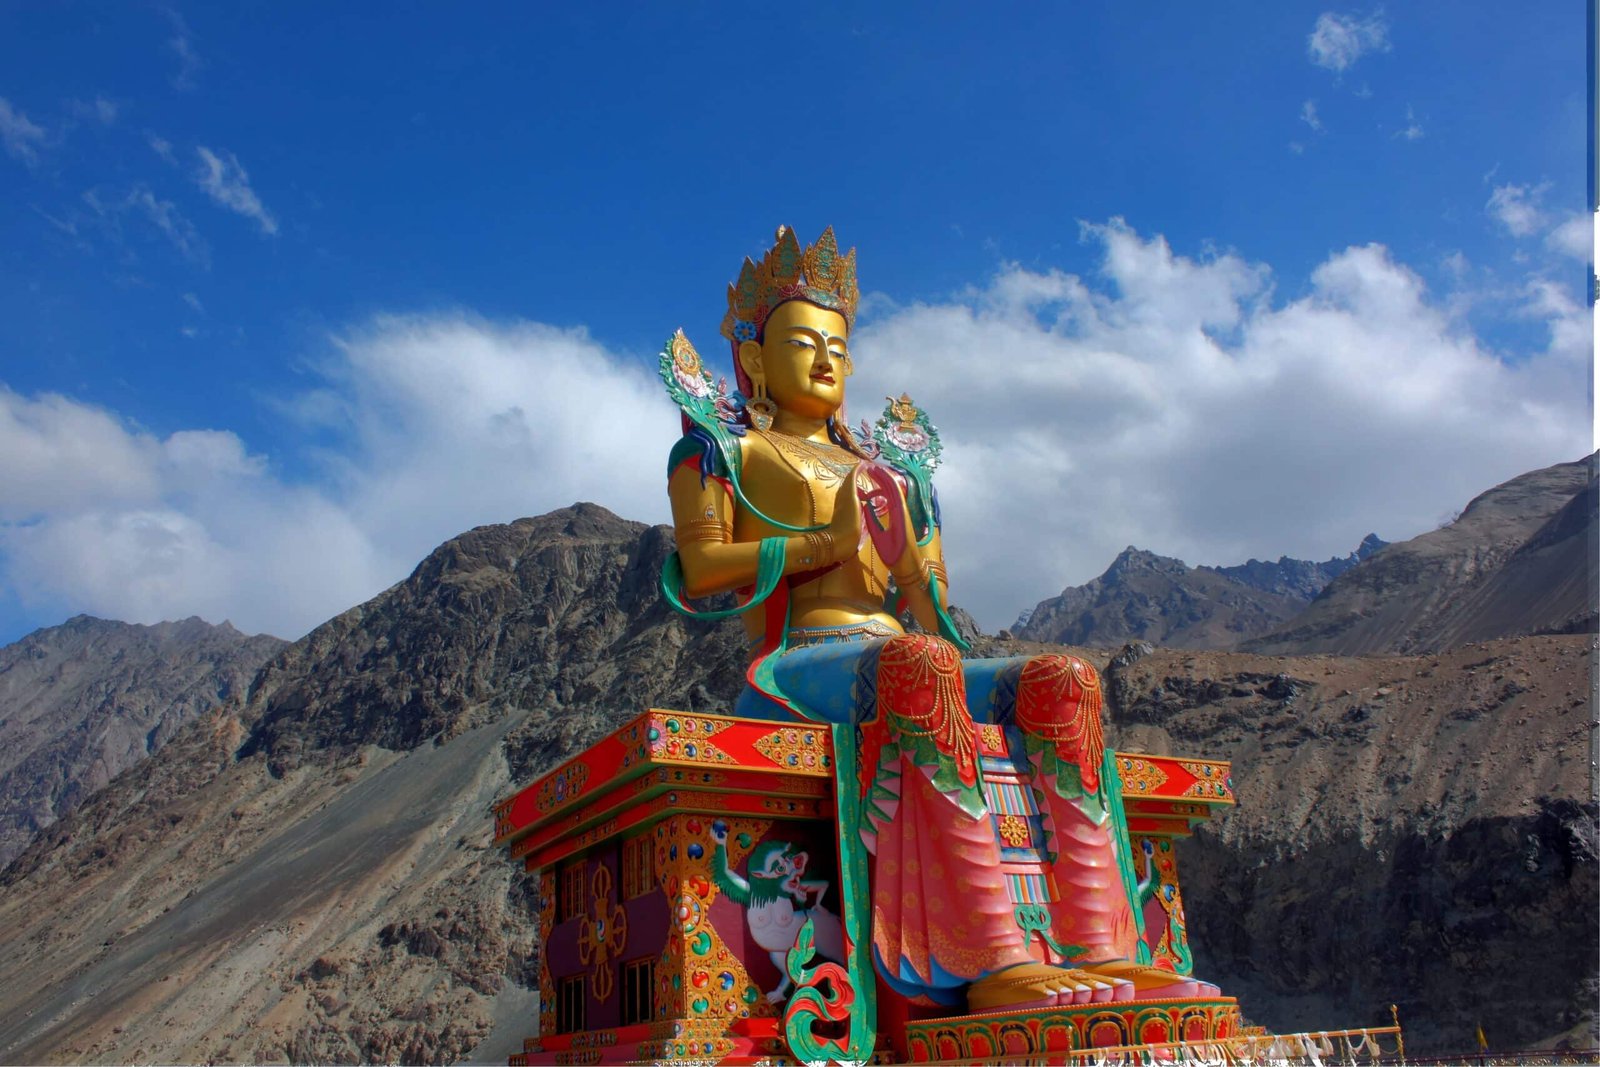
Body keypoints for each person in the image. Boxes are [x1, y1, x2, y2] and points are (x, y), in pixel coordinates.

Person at [659, 226, 1208, 1013]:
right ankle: (986, 955)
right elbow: (702, 570)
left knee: (1064, 680)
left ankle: (1100, 945)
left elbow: (933, 618)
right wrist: (825, 544)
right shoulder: (726, 452)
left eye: (837, 347)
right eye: (802, 342)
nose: (824, 360)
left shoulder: (897, 477)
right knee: (921, 670)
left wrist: (911, 567)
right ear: (752, 359)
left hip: (903, 658)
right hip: (798, 659)